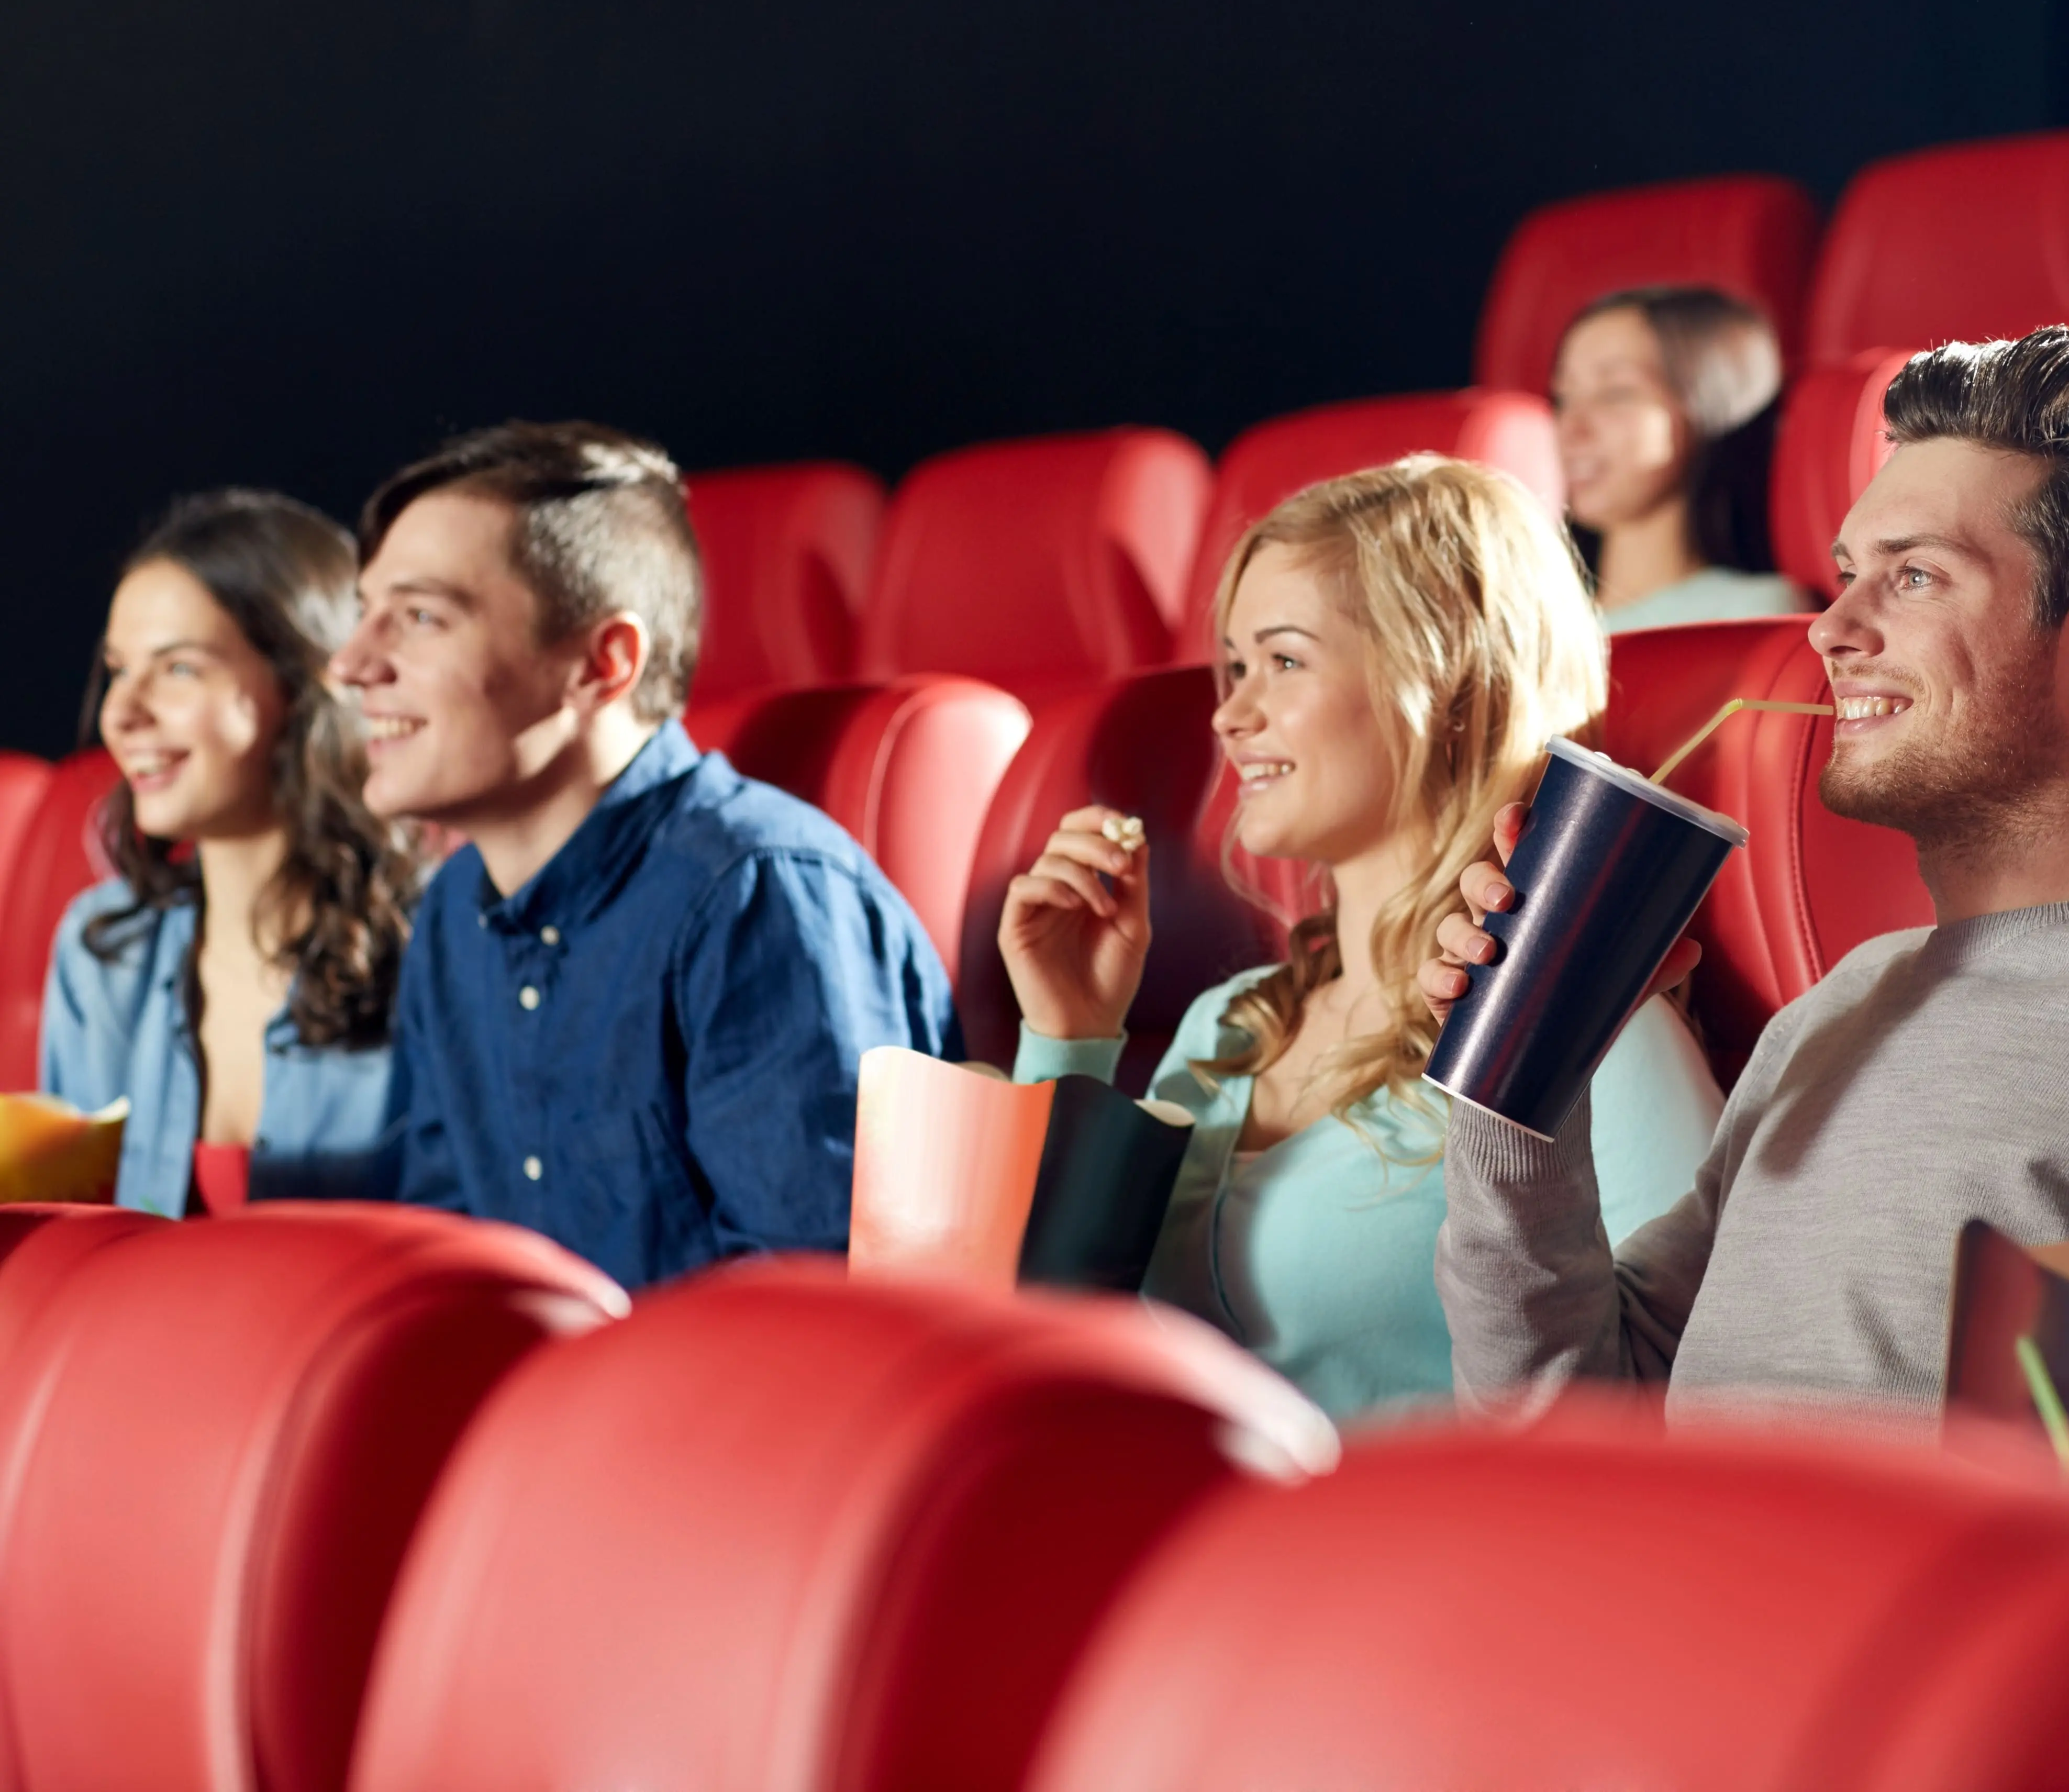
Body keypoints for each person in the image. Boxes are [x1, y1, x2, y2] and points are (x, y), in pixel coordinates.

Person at [1427, 327, 2069, 1422]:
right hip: (1647, 1574)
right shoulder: (1837, 1005)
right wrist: (1517, 1098)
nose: (1832, 629)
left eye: (1916, 576)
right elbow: (1562, 1427)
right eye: (1847, 576)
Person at [998, 456, 1723, 1422]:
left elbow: (1683, 1404)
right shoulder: (1225, 1021)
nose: (1229, 713)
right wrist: (1071, 1037)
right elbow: (1045, 1334)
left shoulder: (1595, 1041)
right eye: (1234, 666)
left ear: (1447, 679)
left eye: (1284, 661)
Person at [328, 421, 958, 1288]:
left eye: (422, 617)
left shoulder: (756, 894)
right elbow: (446, 1263)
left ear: (604, 662)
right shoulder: (450, 910)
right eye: (366, 615)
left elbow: (815, 1323)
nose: (351, 664)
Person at [47, 490, 425, 1217]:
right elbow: (77, 1252)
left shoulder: (436, 943)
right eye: (120, 669)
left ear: (306, 683)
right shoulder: (102, 951)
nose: (121, 714)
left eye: (180, 668)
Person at [1552, 286, 1814, 631]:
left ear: (1708, 404)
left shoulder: (1751, 611)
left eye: (1616, 393)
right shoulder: (1537, 617)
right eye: (1563, 398)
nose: (1570, 429)